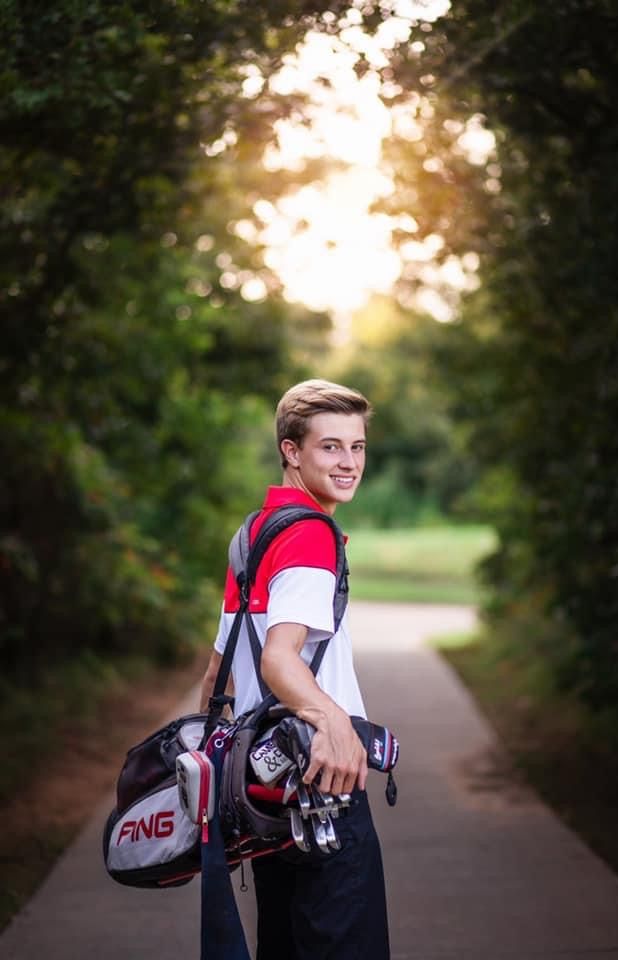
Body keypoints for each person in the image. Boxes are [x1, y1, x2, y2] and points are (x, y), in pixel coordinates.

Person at [199, 378, 390, 960]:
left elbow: (217, 677)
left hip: (267, 789)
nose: (348, 462)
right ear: (291, 449)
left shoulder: (254, 534)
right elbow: (278, 658)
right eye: (330, 447)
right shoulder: (310, 535)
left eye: (356, 447)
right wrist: (334, 725)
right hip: (324, 781)